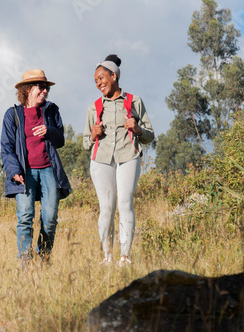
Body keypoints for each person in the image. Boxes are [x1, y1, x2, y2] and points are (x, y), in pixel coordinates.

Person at [83, 54, 154, 267]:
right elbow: (86, 143)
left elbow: (150, 136)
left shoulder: (135, 102)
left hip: (128, 156)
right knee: (106, 207)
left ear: (113, 76)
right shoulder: (94, 107)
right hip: (101, 160)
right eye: (96, 81)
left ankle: (124, 257)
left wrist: (138, 128)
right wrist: (93, 134)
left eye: (101, 78)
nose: (98, 83)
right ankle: (107, 257)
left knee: (125, 203)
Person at [1, 69, 71, 268]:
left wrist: (49, 131)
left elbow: (60, 140)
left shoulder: (51, 110)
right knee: (25, 217)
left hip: (49, 169)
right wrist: (14, 170)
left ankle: (44, 259)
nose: (45, 91)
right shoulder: (12, 114)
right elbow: (6, 146)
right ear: (27, 90)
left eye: (46, 87)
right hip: (24, 172)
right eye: (40, 87)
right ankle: (24, 260)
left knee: (50, 219)